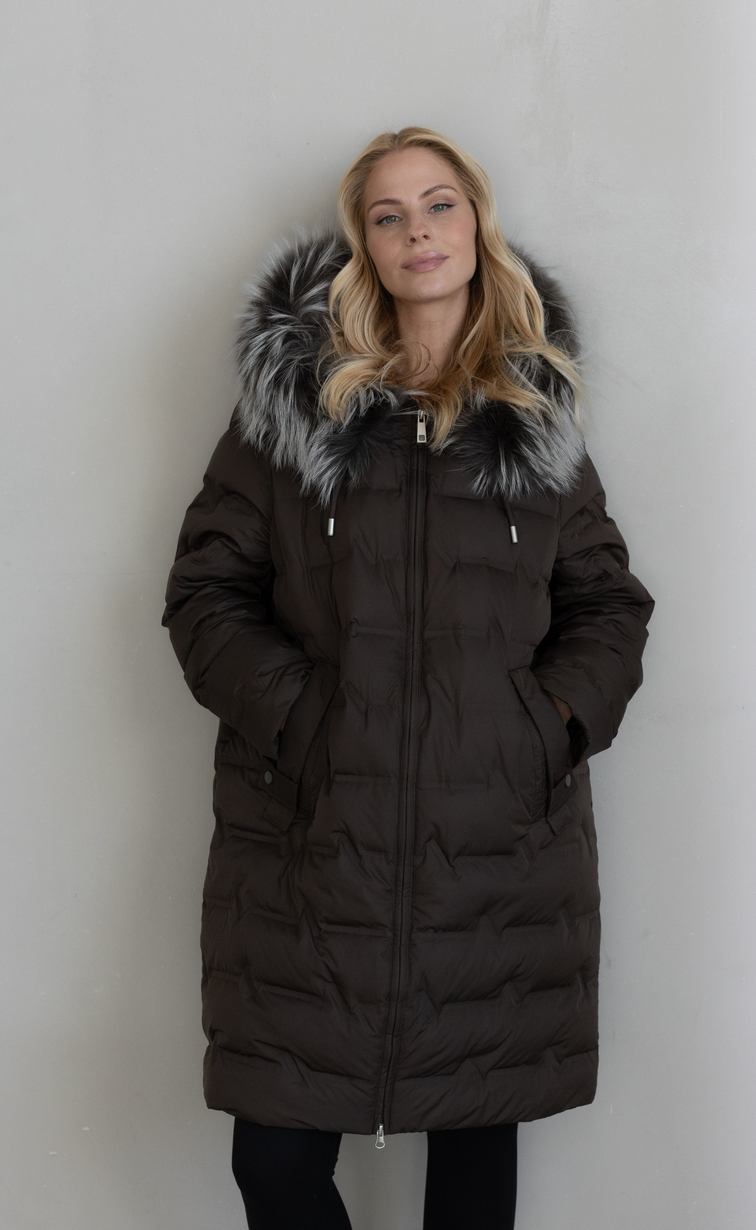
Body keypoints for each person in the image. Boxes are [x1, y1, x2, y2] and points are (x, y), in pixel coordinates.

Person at [162, 127, 654, 1229]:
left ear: (475, 226)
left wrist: (541, 725)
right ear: (363, 247)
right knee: (276, 1164)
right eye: (387, 215)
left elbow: (608, 603)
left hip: (493, 852)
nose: (417, 231)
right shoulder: (292, 412)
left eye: (438, 204)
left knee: (473, 1167)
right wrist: (304, 720)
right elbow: (206, 592)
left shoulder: (532, 418)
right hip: (312, 846)